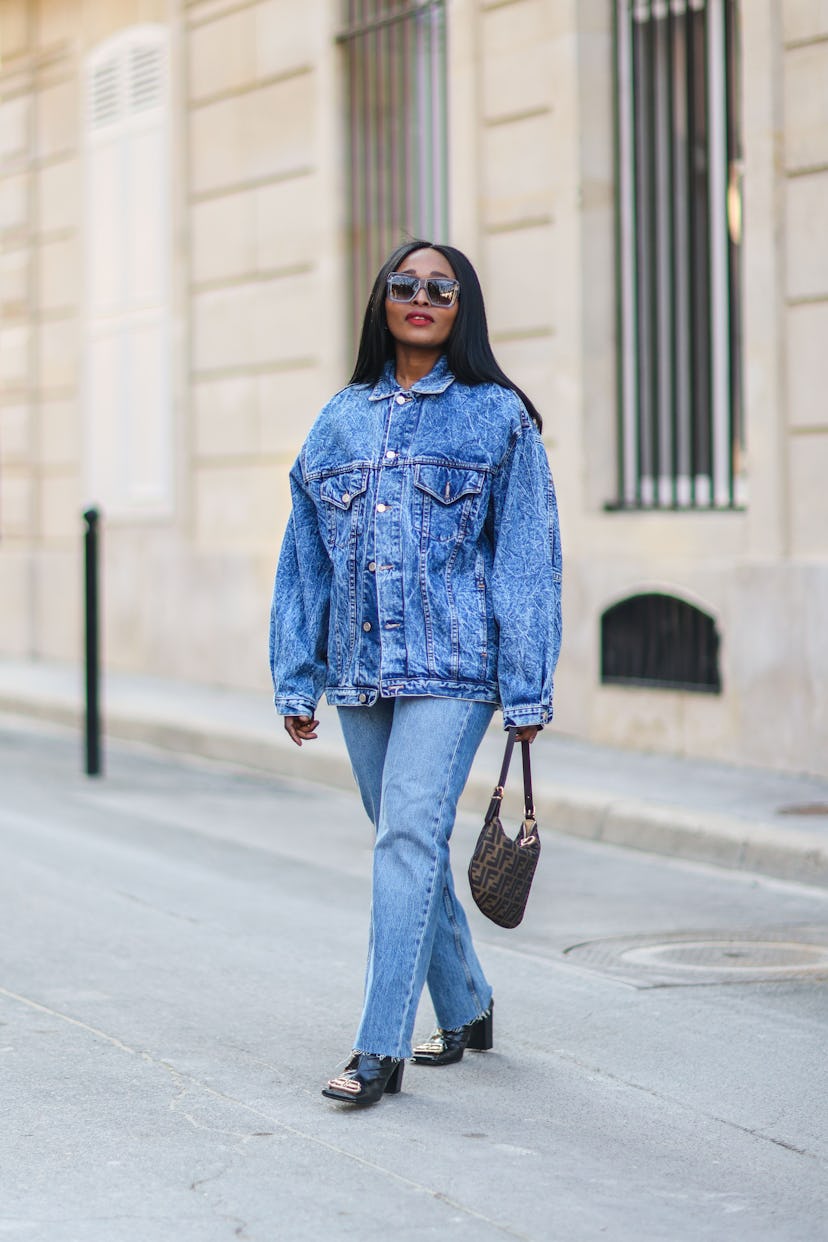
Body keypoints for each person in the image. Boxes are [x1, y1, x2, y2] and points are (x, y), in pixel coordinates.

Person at [269, 240, 562, 1107]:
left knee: (404, 840)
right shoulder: (338, 419)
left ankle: (377, 1050)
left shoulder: (498, 417)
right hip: (360, 672)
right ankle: (468, 1004)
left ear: (463, 307)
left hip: (454, 668)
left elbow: (527, 563)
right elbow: (304, 559)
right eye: (406, 285)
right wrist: (296, 672)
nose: (422, 297)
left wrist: (526, 686)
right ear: (382, 302)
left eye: (442, 287)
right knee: (409, 840)